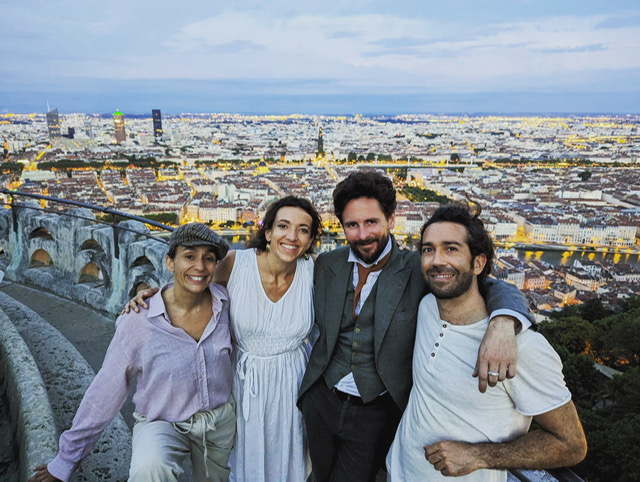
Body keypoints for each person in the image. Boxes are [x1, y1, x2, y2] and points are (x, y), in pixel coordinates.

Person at [298, 170, 534, 481]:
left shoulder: (418, 266)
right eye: (352, 225)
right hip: (321, 399)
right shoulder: (328, 264)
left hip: (375, 411)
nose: (362, 234)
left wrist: (504, 320)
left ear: (391, 220)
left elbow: (490, 285)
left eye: (371, 222)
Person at [127, 196, 323, 481]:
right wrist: (152, 295)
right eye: (283, 226)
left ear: (310, 239)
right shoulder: (235, 263)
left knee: (288, 459)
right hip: (243, 384)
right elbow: (192, 283)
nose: (292, 236)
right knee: (244, 460)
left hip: (293, 384)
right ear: (268, 232)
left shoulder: (315, 268)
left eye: (303, 230)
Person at [386, 203, 587, 480]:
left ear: (478, 263)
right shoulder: (426, 307)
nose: (436, 260)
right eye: (428, 249)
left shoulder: (522, 347)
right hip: (398, 470)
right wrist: (505, 316)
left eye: (451, 248)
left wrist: (478, 455)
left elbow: (571, 445)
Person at [29, 223, 236, 482]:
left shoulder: (225, 303)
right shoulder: (139, 320)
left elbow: (256, 260)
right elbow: (106, 390)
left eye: (209, 258)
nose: (200, 266)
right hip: (162, 420)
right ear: (170, 262)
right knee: (149, 469)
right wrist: (65, 460)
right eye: (189, 256)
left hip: (218, 422)